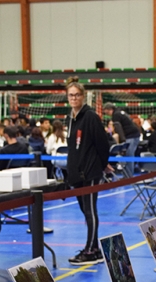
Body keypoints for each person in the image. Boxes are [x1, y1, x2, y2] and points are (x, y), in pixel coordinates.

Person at [65, 77, 110, 265]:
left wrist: (101, 164)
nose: (74, 98)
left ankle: (91, 250)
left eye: (77, 95)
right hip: (76, 174)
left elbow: (102, 144)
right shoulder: (70, 118)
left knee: (90, 211)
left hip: (90, 173)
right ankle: (95, 248)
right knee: (85, 211)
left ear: (83, 96)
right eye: (71, 95)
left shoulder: (90, 116)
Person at [103, 103, 140, 175]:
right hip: (135, 135)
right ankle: (127, 175)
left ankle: (129, 177)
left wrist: (122, 141)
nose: (106, 114)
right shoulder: (120, 111)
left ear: (109, 110)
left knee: (129, 156)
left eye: (106, 112)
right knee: (128, 156)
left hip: (131, 136)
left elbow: (119, 128)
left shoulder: (116, 115)